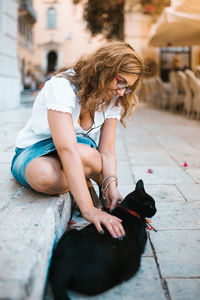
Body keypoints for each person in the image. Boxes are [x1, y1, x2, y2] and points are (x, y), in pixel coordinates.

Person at [11, 42, 145, 239]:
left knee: (93, 157)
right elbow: (66, 149)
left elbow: (106, 150)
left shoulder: (114, 99)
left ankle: (85, 182)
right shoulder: (62, 86)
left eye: (128, 87)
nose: (122, 92)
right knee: (45, 176)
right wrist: (88, 209)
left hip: (81, 153)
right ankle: (83, 183)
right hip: (36, 152)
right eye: (121, 82)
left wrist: (111, 185)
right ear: (104, 68)